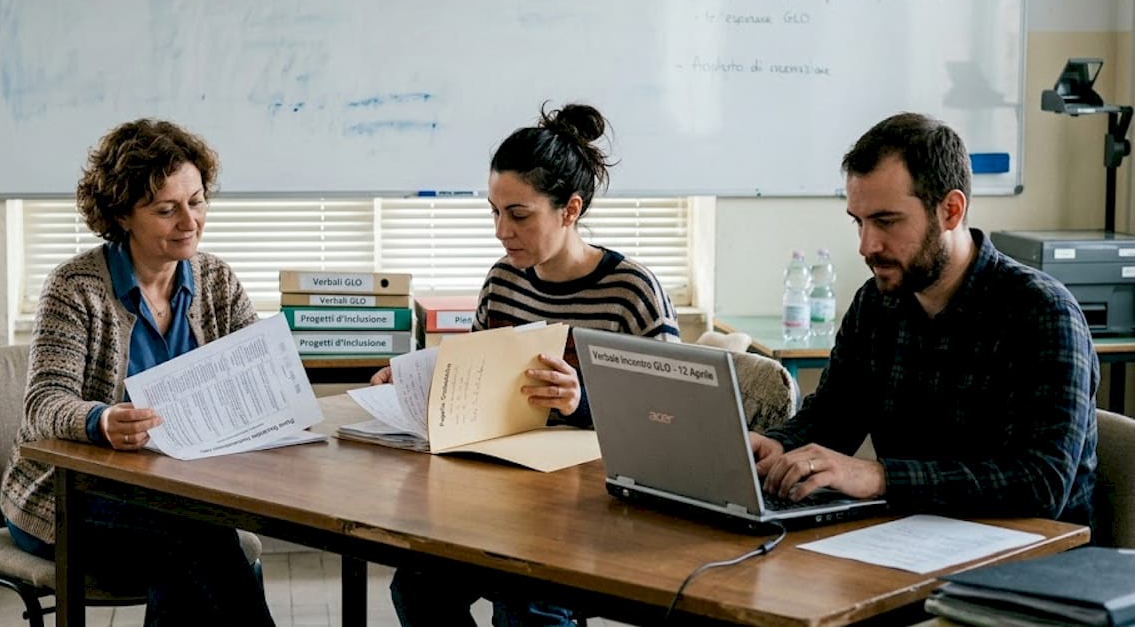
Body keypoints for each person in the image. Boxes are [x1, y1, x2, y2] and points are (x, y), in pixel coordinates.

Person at [382, 103, 680, 627]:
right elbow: (472, 382)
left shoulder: (631, 292)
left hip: (589, 508)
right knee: (416, 587)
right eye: (494, 212)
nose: (501, 230)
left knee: (528, 609)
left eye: (519, 215)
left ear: (570, 209)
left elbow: (671, 416)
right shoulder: (503, 281)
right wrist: (416, 382)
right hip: (498, 496)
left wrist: (581, 402)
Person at [751, 112, 1098, 527]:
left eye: (886, 221)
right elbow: (833, 415)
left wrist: (879, 477)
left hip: (1028, 565)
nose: (866, 245)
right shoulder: (876, 304)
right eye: (858, 222)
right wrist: (776, 445)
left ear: (950, 211)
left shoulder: (1042, 313)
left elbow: (1040, 484)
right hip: (909, 541)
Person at [0, 119, 274, 625]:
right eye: (167, 210)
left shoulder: (216, 279)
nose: (189, 221)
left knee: (194, 545)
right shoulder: (74, 287)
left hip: (179, 492)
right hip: (68, 496)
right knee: (198, 543)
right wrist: (100, 420)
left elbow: (255, 376)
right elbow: (43, 404)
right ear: (122, 215)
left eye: (197, 201)